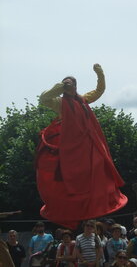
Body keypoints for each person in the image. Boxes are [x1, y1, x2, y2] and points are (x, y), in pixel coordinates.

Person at [36, 64, 127, 229]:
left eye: (69, 83)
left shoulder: (84, 99)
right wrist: (59, 87)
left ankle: (99, 200)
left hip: (87, 144)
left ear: (76, 86)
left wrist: (100, 74)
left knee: (100, 169)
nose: (67, 86)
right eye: (65, 84)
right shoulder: (59, 102)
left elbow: (99, 91)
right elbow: (43, 99)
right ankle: (74, 206)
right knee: (71, 178)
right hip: (70, 147)